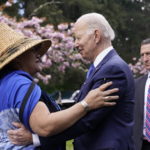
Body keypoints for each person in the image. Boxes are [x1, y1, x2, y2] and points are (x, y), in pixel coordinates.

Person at [7, 12, 135, 150]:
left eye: (78, 38)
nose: (75, 44)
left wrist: (35, 138)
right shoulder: (103, 67)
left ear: (96, 36)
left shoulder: (113, 69)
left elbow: (87, 121)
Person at [133, 38, 150, 150]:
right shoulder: (137, 84)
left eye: (148, 54)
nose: (145, 59)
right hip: (140, 146)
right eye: (142, 55)